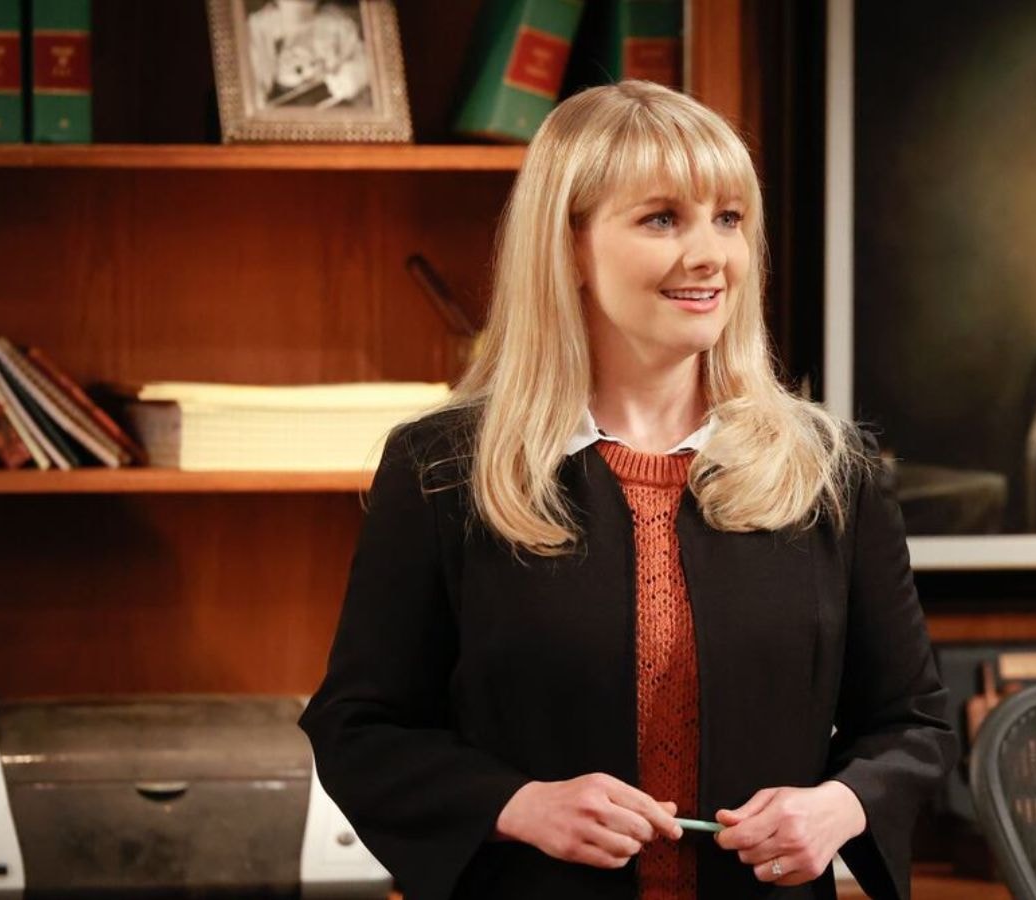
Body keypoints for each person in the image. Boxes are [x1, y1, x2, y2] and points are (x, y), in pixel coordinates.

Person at [298, 80, 957, 900]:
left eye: (729, 218)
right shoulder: (442, 470)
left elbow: (914, 725)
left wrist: (840, 806)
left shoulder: (832, 471)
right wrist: (516, 804)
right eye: (661, 219)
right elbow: (358, 729)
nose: (711, 254)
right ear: (569, 246)